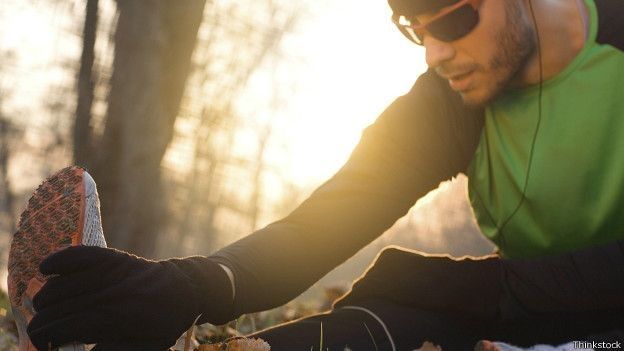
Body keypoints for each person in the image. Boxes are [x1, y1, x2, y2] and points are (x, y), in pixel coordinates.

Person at [11, 0, 624, 350]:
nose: (434, 52)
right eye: (412, 27)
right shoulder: (447, 101)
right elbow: (324, 223)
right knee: (370, 332)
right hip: (513, 321)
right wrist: (193, 285)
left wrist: (478, 294)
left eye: (450, 19)